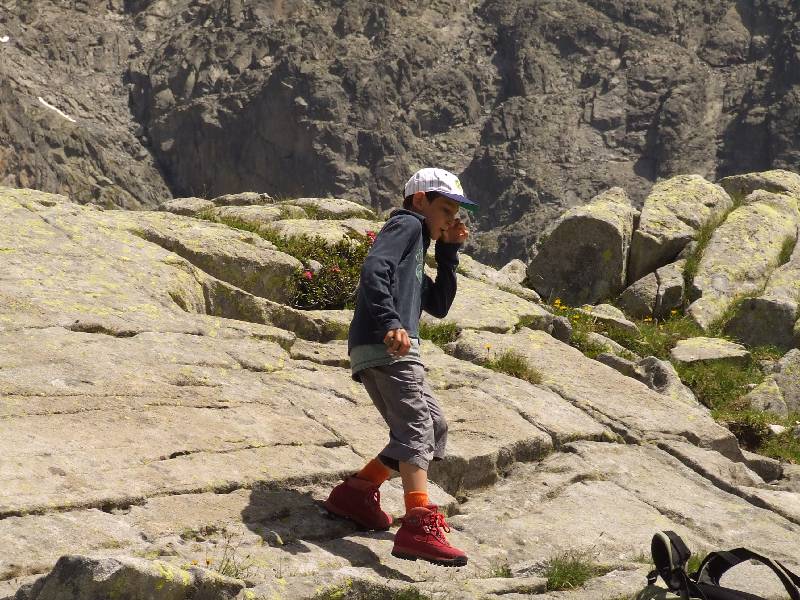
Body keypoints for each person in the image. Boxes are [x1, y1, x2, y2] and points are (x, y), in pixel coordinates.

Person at [323, 167, 478, 567]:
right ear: (421, 200)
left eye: (455, 214)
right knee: (416, 428)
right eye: (446, 210)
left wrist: (448, 253)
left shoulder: (419, 244)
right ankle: (418, 525)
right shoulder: (406, 225)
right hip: (388, 342)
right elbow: (374, 268)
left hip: (394, 345)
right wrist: (391, 322)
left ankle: (356, 493)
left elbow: (438, 306)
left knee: (434, 427)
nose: (451, 220)